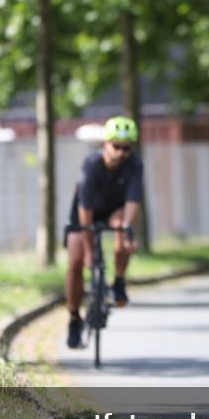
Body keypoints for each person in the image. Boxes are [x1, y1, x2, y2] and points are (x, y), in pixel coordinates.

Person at [64, 116, 143, 349]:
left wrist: (128, 230)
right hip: (85, 211)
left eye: (126, 148)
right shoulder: (91, 165)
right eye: (116, 146)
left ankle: (119, 280)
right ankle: (74, 318)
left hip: (114, 210)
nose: (121, 153)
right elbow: (85, 211)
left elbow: (133, 201)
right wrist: (89, 252)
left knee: (123, 228)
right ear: (105, 144)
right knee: (76, 260)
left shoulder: (135, 164)